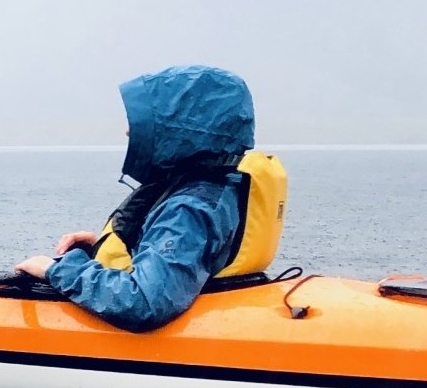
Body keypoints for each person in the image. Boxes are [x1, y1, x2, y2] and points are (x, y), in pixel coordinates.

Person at [14, 65, 258, 332]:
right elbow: (186, 262)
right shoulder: (214, 189)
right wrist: (107, 249)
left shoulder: (189, 209)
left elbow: (144, 302)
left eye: (145, 122)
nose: (129, 132)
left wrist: (56, 270)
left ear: (182, 131)